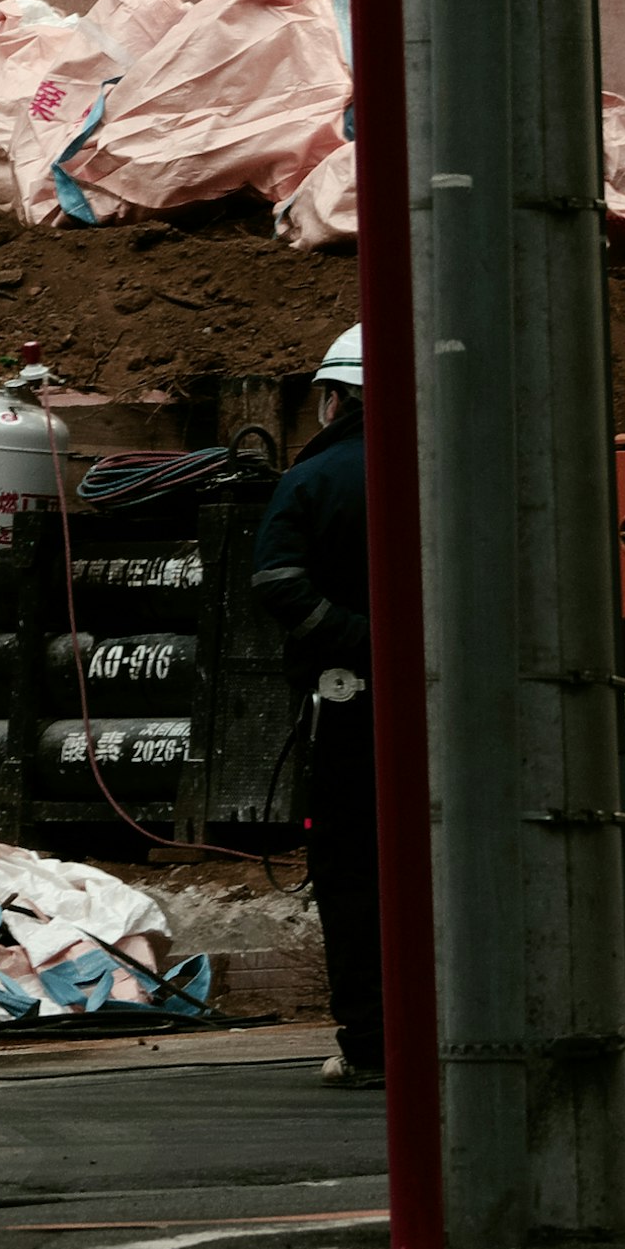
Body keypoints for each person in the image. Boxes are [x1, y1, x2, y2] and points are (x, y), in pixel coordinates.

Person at [254, 325, 379, 1089]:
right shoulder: (461, 467)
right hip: (456, 713)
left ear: (334, 399)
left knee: (352, 873)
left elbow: (277, 585)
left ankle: (371, 1041)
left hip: (348, 710)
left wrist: (358, 640)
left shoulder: (316, 478)